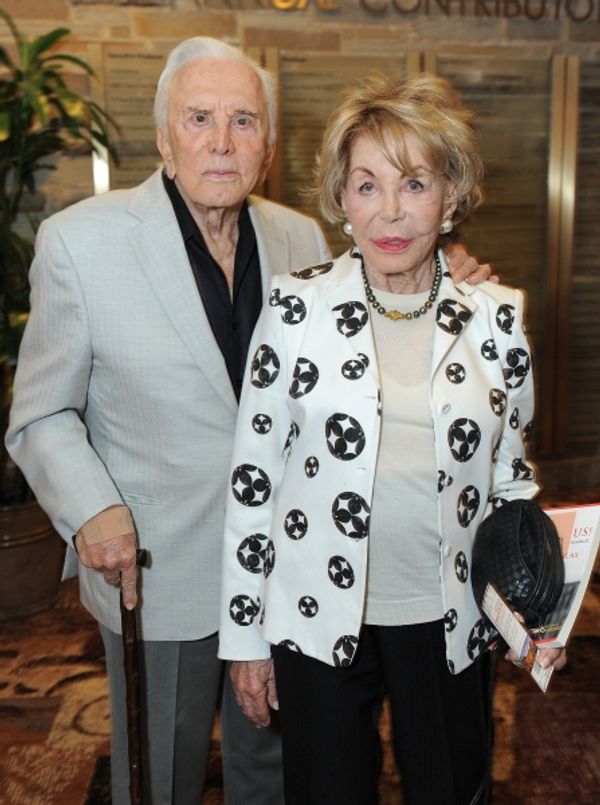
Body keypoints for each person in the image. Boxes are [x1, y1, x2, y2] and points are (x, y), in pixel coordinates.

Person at [6, 37, 489, 805]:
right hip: (156, 567)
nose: (221, 141)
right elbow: (40, 414)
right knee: (159, 773)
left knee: (276, 773)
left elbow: (390, 276)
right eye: (199, 118)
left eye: (243, 120)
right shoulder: (80, 243)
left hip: (291, 570)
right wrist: (91, 506)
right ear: (164, 135)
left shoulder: (299, 236)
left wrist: (452, 274)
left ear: (267, 145)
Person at [218, 72, 567, 805]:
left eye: (414, 184)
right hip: (316, 618)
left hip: (449, 615)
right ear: (342, 200)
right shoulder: (295, 310)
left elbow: (513, 481)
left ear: (450, 195)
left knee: (451, 789)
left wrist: (542, 609)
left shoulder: (495, 320)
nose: (391, 212)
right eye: (367, 185)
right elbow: (253, 483)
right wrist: (246, 638)